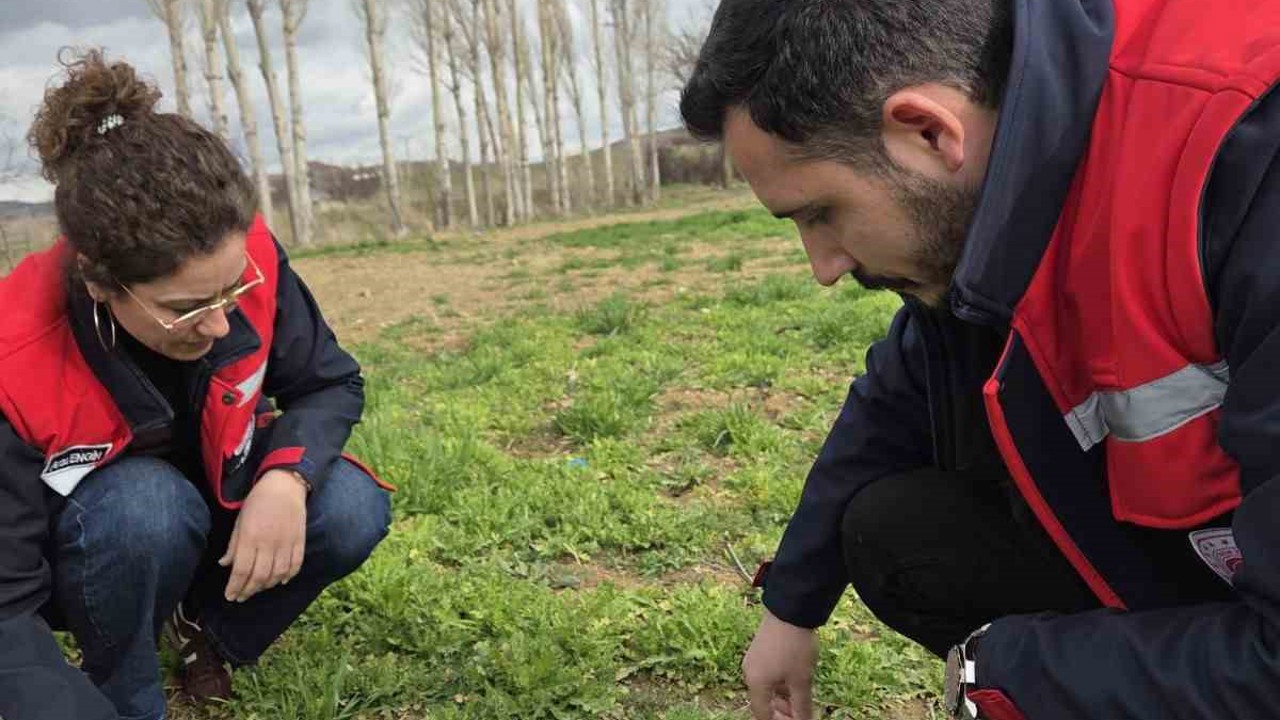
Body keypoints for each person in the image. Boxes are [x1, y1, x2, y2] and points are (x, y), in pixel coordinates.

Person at [681, 0, 1280, 718]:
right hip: (1219, 564)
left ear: (929, 131)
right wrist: (790, 609)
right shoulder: (1016, 157)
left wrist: (1010, 677)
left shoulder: (1247, 154)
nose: (823, 266)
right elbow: (900, 389)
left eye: (819, 214)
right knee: (900, 530)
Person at [0, 50, 392, 720]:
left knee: (351, 505)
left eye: (234, 287)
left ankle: (208, 639)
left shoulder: (241, 258)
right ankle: (123, 689)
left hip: (214, 503)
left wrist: (285, 479)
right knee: (144, 505)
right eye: (184, 307)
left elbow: (329, 383)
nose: (219, 323)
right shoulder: (16, 355)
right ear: (99, 282)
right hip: (94, 549)